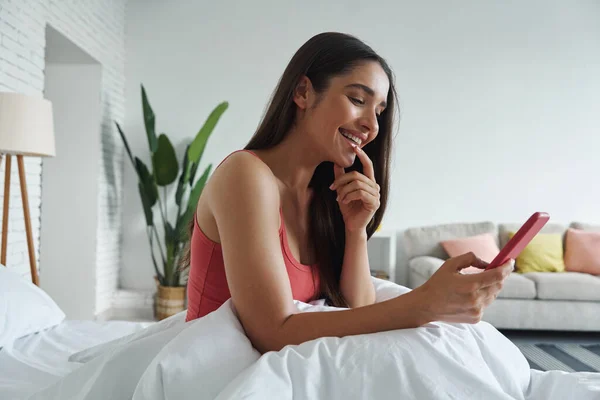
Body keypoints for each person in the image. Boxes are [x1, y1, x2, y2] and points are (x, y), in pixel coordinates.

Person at [181, 32, 513, 354]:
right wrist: (424, 303)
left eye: (380, 111)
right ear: (303, 92)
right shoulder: (245, 175)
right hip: (214, 371)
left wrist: (355, 231)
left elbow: (355, 308)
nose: (372, 125)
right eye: (357, 100)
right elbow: (271, 333)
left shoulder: (324, 196)